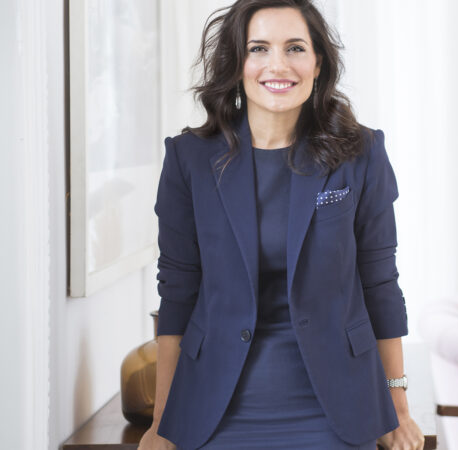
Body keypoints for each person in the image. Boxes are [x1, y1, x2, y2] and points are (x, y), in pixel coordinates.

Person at [137, 0, 424, 448]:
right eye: (258, 48)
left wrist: (398, 407)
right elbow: (178, 292)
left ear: (317, 63)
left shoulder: (361, 153)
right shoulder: (188, 159)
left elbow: (380, 283)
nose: (278, 65)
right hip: (215, 405)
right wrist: (162, 422)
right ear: (238, 63)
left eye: (294, 48)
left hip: (337, 407)